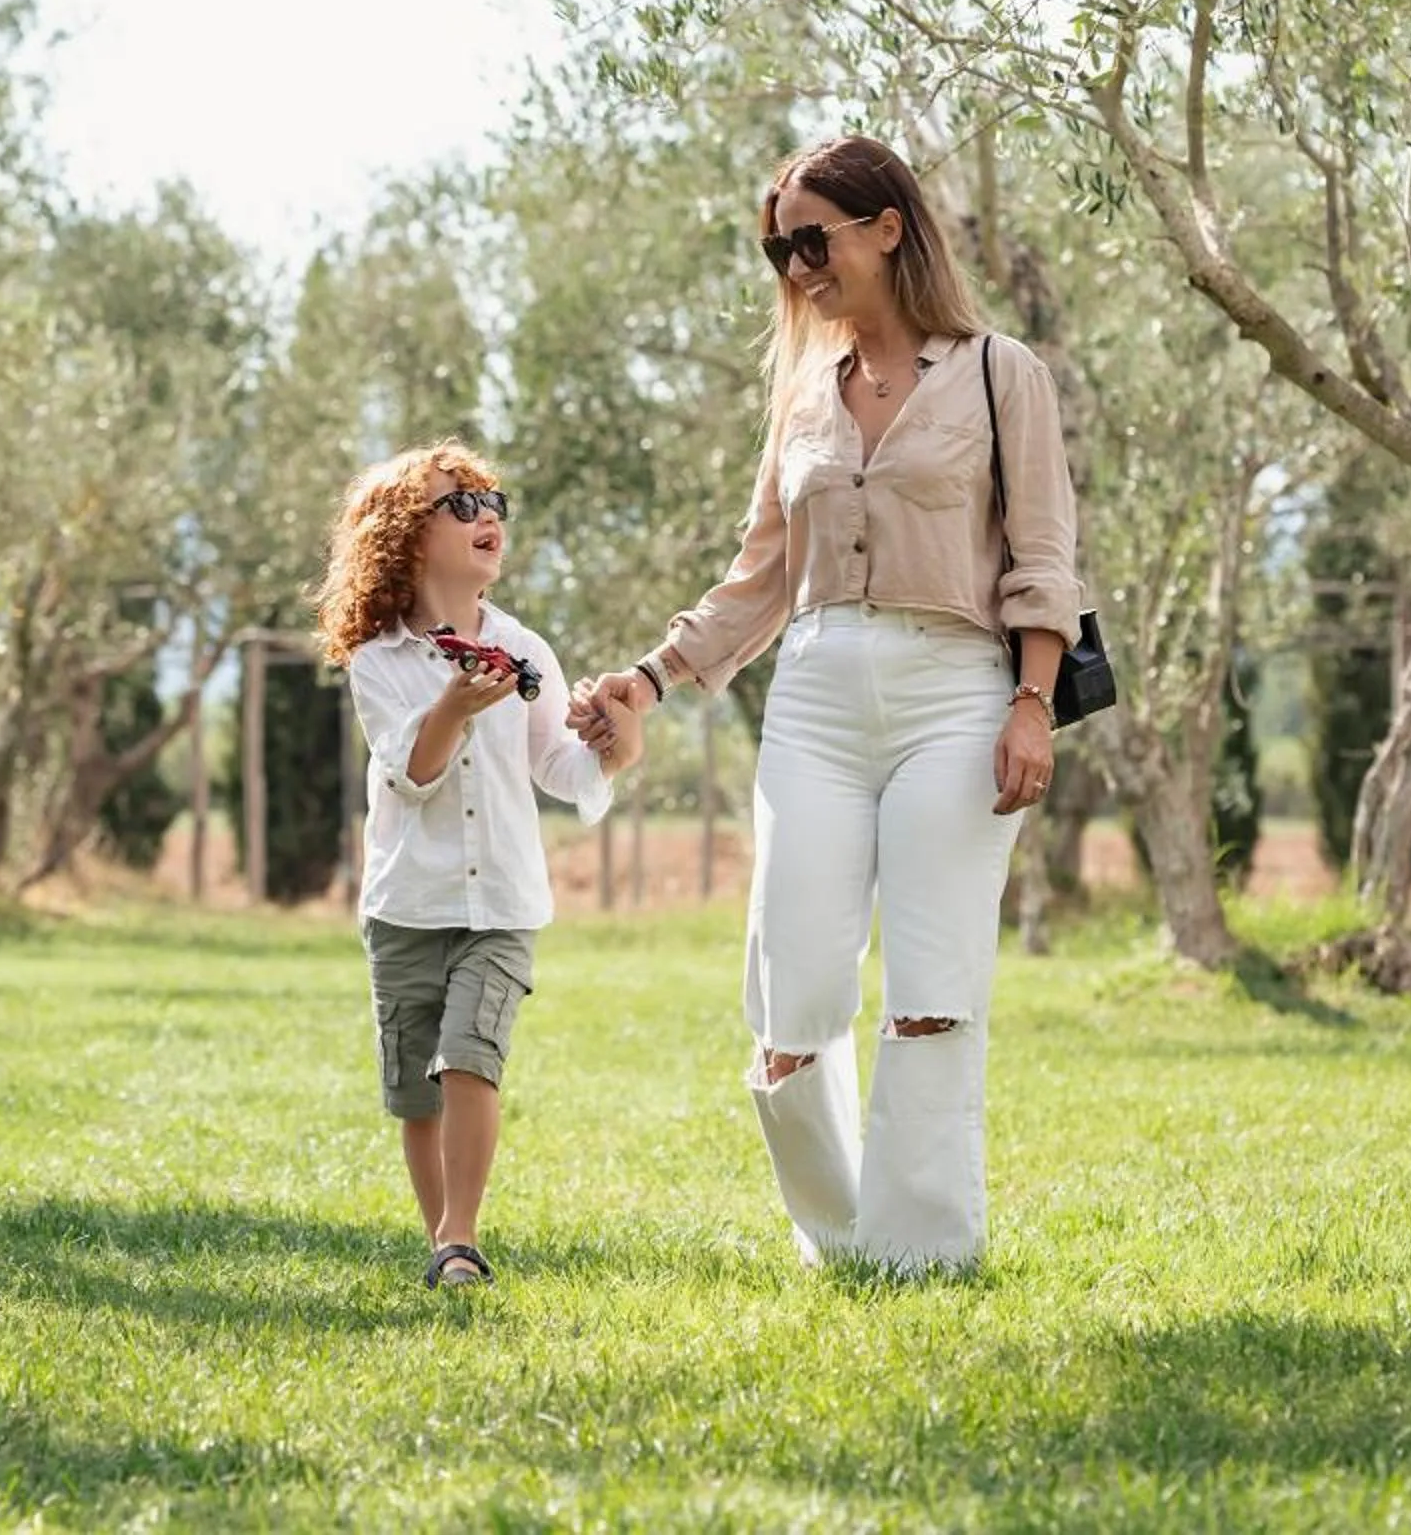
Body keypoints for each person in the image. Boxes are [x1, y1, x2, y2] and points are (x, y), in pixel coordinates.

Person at [570, 135, 1079, 1273]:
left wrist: (1032, 704)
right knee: (790, 994)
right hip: (813, 696)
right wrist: (648, 681)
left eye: (813, 239)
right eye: (778, 250)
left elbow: (1043, 562)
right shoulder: (802, 394)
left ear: (887, 228)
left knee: (934, 987)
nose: (797, 268)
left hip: (957, 689)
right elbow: (759, 576)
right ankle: (841, 1242)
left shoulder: (1003, 375)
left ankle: (925, 1255)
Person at [314, 441, 643, 1288]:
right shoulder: (379, 661)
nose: (486, 517)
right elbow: (412, 774)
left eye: (493, 502)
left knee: (469, 1059)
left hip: (501, 902)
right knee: (415, 1095)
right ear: (406, 538)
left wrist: (616, 746)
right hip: (405, 904)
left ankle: (461, 1236)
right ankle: (443, 1247)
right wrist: (452, 709)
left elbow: (562, 770)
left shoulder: (526, 647)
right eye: (459, 506)